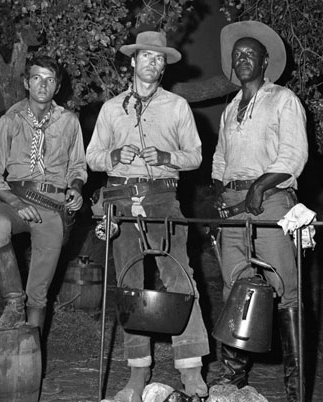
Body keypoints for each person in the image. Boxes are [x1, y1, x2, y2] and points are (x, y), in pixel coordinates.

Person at [86, 31, 209, 401]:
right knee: (129, 285)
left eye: (160, 59)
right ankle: (138, 373)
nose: (153, 64)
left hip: (163, 199)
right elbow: (92, 157)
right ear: (133, 61)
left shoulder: (177, 107)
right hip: (122, 199)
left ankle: (191, 369)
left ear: (163, 66)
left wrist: (169, 158)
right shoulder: (111, 108)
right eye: (147, 57)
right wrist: (112, 157)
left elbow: (196, 156)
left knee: (179, 275)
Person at [211, 21, 308, 402]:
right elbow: (220, 159)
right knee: (236, 287)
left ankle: (296, 389)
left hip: (270, 202)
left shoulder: (283, 99)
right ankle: (232, 382)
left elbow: (294, 155)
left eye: (250, 54)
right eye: (237, 56)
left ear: (265, 62)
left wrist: (259, 186)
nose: (242, 60)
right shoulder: (230, 108)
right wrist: (220, 192)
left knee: (285, 289)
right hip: (234, 208)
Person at [0, 55, 87, 395]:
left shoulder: (69, 121)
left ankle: (32, 363)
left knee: (39, 293)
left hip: (53, 208)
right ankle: (12, 302)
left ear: (57, 85)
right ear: (27, 82)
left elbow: (79, 167)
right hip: (17, 200)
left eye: (50, 79)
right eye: (37, 78)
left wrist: (77, 189)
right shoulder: (10, 120)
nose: (43, 84)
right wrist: (15, 203)